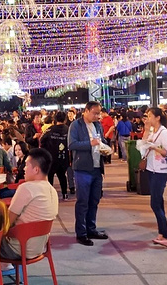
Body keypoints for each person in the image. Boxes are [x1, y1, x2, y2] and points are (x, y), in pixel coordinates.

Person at [0, 148, 58, 259]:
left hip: (17, 249)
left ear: (36, 170)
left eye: (26, 165)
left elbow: (6, 222)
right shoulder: (52, 190)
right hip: (38, 248)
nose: (24, 169)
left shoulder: (26, 188)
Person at [68, 101, 108, 246]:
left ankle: (91, 229)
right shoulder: (76, 125)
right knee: (82, 202)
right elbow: (71, 144)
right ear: (86, 111)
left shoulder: (98, 125)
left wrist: (105, 147)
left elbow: (101, 141)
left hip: (97, 168)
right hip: (82, 169)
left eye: (99, 113)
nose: (98, 116)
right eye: (95, 113)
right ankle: (81, 233)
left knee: (94, 201)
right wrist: (89, 144)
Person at [137, 107, 167, 249]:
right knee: (159, 202)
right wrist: (146, 129)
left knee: (155, 203)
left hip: (160, 171)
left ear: (157, 117)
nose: (148, 118)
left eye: (150, 116)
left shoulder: (164, 133)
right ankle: (162, 234)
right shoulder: (153, 131)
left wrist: (154, 148)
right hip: (151, 169)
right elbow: (143, 144)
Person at [41, 111, 69, 199]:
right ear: (65, 119)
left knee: (50, 175)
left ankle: (50, 194)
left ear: (55, 119)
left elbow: (42, 140)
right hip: (64, 156)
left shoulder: (50, 129)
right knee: (62, 175)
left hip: (51, 156)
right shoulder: (68, 129)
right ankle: (65, 194)